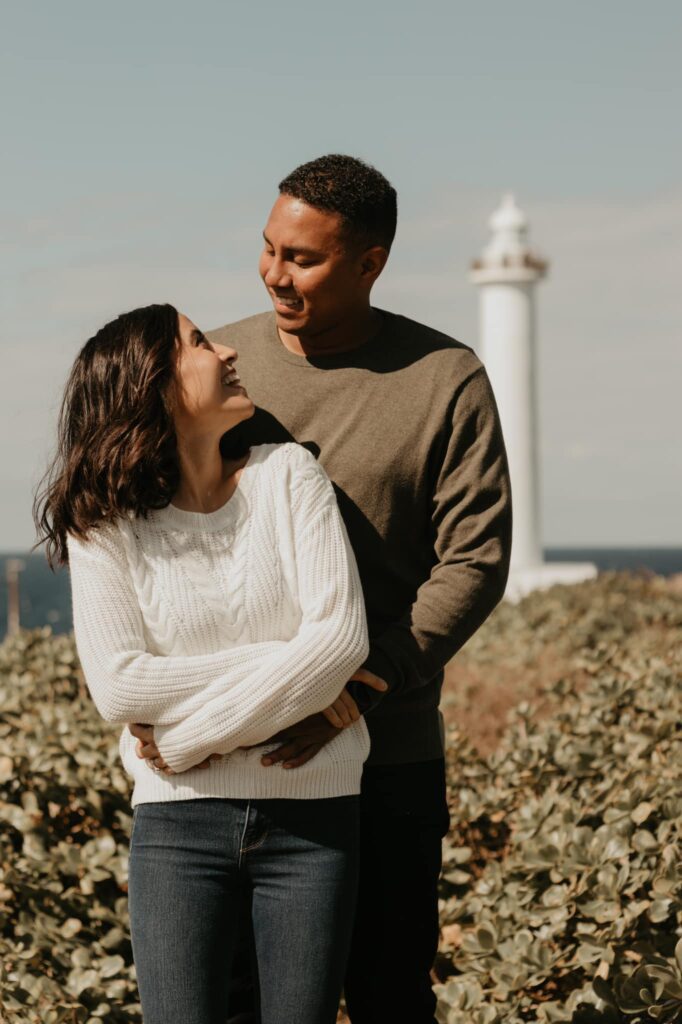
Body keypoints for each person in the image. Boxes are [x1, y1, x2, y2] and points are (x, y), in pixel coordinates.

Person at [207, 154, 513, 1024]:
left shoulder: (446, 378)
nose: (274, 273)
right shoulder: (218, 367)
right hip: (241, 754)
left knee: (386, 998)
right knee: (242, 1005)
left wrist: (359, 688)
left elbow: (475, 561)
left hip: (390, 755)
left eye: (302, 258)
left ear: (371, 261)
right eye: (268, 249)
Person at [33, 302, 388, 1024]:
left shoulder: (288, 477)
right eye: (198, 343)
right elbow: (119, 684)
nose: (228, 350)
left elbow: (342, 643)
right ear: (155, 386)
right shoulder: (103, 522)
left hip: (312, 820)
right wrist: (288, 662)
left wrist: (190, 740)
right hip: (177, 828)